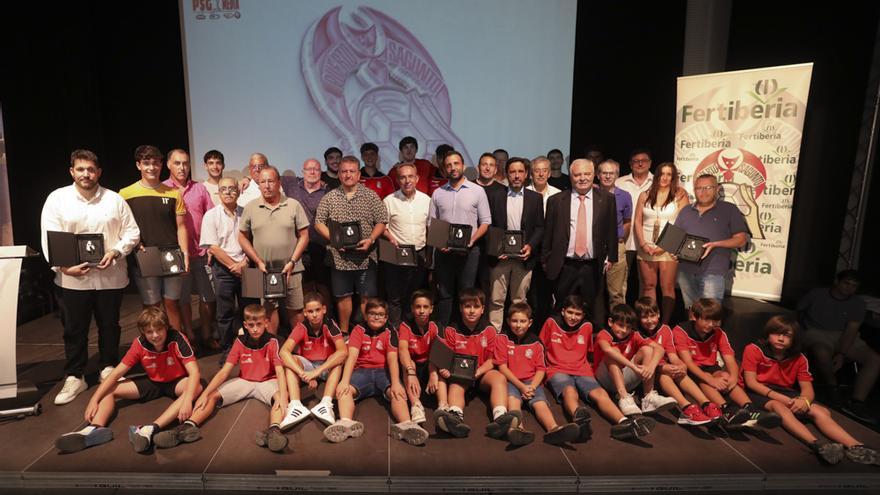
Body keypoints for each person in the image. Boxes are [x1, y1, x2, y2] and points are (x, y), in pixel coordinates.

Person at [41, 149, 140, 405]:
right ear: (72, 171)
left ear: (99, 172)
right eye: (81, 169)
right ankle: (76, 375)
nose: (86, 174)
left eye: (91, 169)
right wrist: (63, 267)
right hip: (73, 279)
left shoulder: (115, 200)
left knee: (110, 325)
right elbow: (49, 237)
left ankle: (108, 367)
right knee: (74, 329)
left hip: (111, 276)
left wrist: (116, 251)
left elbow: (132, 232)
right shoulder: (57, 199)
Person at [54, 308, 202, 453]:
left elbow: (194, 371)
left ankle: (151, 428)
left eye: (159, 330)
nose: (155, 335)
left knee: (196, 388)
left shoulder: (177, 338)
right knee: (111, 388)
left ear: (166, 328)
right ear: (143, 332)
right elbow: (114, 374)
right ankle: (94, 429)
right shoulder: (139, 344)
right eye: (149, 332)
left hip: (177, 381)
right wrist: (94, 399)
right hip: (154, 381)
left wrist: (187, 400)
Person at [741, 315, 879, 465]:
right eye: (776, 333)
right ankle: (817, 444)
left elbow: (807, 388)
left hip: (785, 391)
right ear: (768, 334)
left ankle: (856, 446)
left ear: (794, 339)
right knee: (779, 407)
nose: (781, 339)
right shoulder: (753, 350)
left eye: (787, 335)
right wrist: (787, 401)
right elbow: (752, 383)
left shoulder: (799, 358)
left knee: (820, 411)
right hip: (757, 392)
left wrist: (804, 401)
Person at [154, 304, 290, 452]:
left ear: (266, 323)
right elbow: (224, 372)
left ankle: (274, 431)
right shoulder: (239, 342)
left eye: (259, 324)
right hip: (245, 381)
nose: (255, 329)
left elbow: (280, 371)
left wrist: (283, 397)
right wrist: (204, 394)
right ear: (245, 325)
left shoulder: (274, 341)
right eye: (251, 325)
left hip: (267, 382)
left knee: (280, 398)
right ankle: (187, 427)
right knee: (211, 396)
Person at [539, 295, 655, 441]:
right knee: (569, 391)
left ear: (583, 315)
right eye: (570, 312)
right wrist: (541, 373)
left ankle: (624, 423)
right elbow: (540, 347)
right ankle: (579, 418)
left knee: (600, 394)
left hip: (582, 369)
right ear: (563, 311)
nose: (573, 317)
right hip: (557, 369)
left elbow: (589, 351)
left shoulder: (588, 326)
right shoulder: (551, 322)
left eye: (578, 314)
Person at [325, 298, 429, 445]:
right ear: (366, 316)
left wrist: (395, 383)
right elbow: (352, 356)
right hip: (361, 372)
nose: (377, 317)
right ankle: (345, 422)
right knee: (344, 391)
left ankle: (407, 425)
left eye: (381, 315)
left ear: (386, 317)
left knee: (398, 393)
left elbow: (392, 359)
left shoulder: (391, 331)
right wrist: (344, 380)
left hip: (383, 372)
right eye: (372, 314)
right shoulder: (358, 330)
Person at [673, 298, 780, 429]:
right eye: (707, 320)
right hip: (689, 369)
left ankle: (750, 409)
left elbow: (730, 359)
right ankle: (727, 409)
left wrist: (733, 378)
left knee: (725, 376)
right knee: (707, 380)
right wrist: (710, 379)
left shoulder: (718, 333)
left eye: (714, 321)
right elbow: (688, 362)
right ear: (695, 317)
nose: (711, 324)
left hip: (710, 367)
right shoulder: (680, 331)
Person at [119, 145, 188, 335]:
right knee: (151, 306)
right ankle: (152, 346)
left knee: (172, 303)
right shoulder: (125, 194)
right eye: (146, 163)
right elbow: (122, 226)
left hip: (172, 255)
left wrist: (185, 255)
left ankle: (177, 345)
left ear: (161, 165)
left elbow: (181, 227)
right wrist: (134, 243)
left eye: (155, 163)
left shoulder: (174, 193)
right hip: (144, 256)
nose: (152, 167)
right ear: (138, 165)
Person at [315, 155, 388, 334]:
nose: (348, 175)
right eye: (344, 171)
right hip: (340, 257)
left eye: (351, 171)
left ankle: (366, 333)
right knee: (342, 296)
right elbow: (318, 222)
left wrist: (371, 238)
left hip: (366, 256)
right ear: (338, 174)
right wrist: (334, 239)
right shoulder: (330, 197)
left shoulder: (370, 196)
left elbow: (382, 221)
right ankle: (345, 333)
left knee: (366, 297)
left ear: (358, 173)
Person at [433, 288, 517, 440]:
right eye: (467, 306)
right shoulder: (451, 329)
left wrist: (477, 373)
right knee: (455, 386)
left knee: (499, 378)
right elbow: (443, 359)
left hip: (482, 374)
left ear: (483, 309)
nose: (472, 311)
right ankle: (455, 418)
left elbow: (492, 360)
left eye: (476, 307)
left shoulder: (490, 330)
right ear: (460, 308)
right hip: (460, 376)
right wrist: (445, 369)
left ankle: (500, 418)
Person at [797, 270, 879, 423]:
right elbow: (799, 312)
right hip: (816, 331)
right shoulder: (817, 294)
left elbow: (852, 330)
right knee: (822, 352)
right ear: (837, 281)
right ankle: (832, 386)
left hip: (843, 335)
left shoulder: (858, 303)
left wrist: (841, 353)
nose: (849, 288)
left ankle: (857, 402)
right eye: (847, 283)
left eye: (854, 286)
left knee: (874, 359)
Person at [541, 159, 617, 322]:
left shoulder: (607, 199)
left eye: (587, 174)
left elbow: (611, 230)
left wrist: (612, 256)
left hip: (592, 265)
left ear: (594, 175)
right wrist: (546, 260)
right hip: (564, 264)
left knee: (591, 311)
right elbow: (548, 234)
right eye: (577, 174)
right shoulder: (556, 200)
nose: (582, 178)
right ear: (571, 176)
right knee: (561, 307)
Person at [495, 302, 580, 446]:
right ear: (508, 321)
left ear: (530, 323)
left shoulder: (536, 343)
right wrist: (521, 386)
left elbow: (541, 369)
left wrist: (532, 387)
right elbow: (502, 367)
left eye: (523, 321)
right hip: (512, 381)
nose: (518, 325)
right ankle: (517, 430)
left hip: (531, 382)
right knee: (513, 402)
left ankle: (553, 429)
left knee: (540, 404)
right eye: (515, 321)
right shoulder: (502, 338)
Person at [238, 166, 311, 333]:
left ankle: (300, 349)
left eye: (271, 181)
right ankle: (271, 350)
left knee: (296, 310)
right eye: (263, 182)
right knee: (266, 313)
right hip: (261, 270)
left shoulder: (293, 204)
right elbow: (242, 236)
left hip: (292, 268)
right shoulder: (250, 207)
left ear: (279, 183)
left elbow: (304, 236)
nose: (267, 185)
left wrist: (292, 261)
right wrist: (257, 261)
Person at [163, 149, 218, 350]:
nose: (182, 167)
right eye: (177, 163)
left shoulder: (200, 189)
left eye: (185, 163)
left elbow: (211, 217)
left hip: (202, 252)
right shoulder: (163, 190)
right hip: (176, 255)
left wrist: (212, 245)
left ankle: (206, 332)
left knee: (208, 296)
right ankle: (190, 335)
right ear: (169, 164)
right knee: (183, 298)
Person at [429, 150, 491, 324]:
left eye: (456, 164)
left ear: (463, 166)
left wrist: (471, 241)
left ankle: (464, 334)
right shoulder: (438, 193)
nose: (453, 168)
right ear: (444, 169)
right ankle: (443, 334)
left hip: (469, 252)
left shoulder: (477, 191)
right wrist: (439, 243)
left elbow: (485, 222)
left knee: (467, 295)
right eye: (448, 165)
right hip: (444, 251)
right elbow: (432, 223)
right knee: (445, 295)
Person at [200, 177, 259, 357]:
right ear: (218, 192)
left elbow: (254, 241)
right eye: (224, 189)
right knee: (224, 313)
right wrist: (234, 266)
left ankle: (254, 348)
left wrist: (246, 263)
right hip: (223, 269)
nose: (228, 192)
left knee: (252, 311)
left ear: (239, 191)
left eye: (232, 188)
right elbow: (213, 247)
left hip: (249, 266)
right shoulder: (210, 215)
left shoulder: (248, 212)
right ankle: (227, 351)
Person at [634, 297, 716, 425]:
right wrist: (663, 368)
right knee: (665, 374)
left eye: (653, 315)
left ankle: (705, 403)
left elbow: (673, 356)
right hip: (643, 374)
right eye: (645, 317)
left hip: (661, 368)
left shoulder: (665, 330)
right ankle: (686, 408)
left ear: (659, 314)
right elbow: (639, 362)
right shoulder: (636, 333)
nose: (650, 320)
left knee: (679, 371)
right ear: (638, 318)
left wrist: (680, 365)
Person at [485, 157, 544, 329]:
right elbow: (489, 227)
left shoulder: (535, 198)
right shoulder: (495, 196)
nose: (516, 176)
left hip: (523, 258)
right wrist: (496, 249)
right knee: (496, 300)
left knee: (519, 301)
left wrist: (530, 246)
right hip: (500, 257)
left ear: (526, 174)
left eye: (520, 172)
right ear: (507, 175)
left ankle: (516, 335)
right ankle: (494, 338)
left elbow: (540, 227)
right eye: (512, 172)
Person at [673, 174, 749, 307]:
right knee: (691, 310)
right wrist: (673, 251)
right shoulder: (686, 210)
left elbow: (741, 240)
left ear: (717, 189)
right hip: (686, 270)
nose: (703, 192)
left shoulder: (729, 209)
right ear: (694, 190)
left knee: (710, 313)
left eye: (708, 187)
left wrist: (715, 244)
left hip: (713, 271)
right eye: (699, 188)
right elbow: (676, 238)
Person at [278, 291, 348, 429]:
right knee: (290, 360)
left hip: (326, 366)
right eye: (310, 311)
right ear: (304, 313)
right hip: (308, 365)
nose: (314, 314)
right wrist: (304, 375)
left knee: (338, 360)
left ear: (324, 309)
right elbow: (283, 352)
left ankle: (326, 404)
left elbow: (343, 351)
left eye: (317, 310)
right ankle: (296, 406)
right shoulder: (301, 327)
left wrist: (317, 372)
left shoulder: (330, 324)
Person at [592, 304, 677, 416]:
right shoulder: (603, 334)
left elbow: (659, 348)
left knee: (647, 349)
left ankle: (648, 397)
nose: (624, 330)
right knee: (613, 352)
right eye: (621, 325)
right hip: (605, 379)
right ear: (610, 322)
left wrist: (651, 367)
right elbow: (607, 350)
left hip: (625, 377)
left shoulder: (634, 335)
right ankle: (623, 397)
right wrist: (633, 367)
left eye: (628, 327)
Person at [633, 162, 688, 324]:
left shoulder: (680, 194)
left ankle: (664, 323)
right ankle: (650, 321)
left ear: (673, 177)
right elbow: (637, 221)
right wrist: (643, 244)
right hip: (646, 247)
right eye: (662, 174)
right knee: (648, 286)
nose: (664, 178)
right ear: (656, 175)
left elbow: (683, 223)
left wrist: (663, 246)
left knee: (667, 288)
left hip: (669, 247)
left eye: (669, 174)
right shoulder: (645, 194)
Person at [382, 162, 430, 323]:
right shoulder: (389, 200)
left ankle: (411, 331)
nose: (407, 180)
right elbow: (383, 226)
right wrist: (390, 238)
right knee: (394, 296)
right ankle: (395, 332)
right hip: (396, 253)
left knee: (414, 295)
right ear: (397, 180)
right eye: (403, 177)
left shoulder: (427, 200)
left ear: (417, 178)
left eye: (410, 176)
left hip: (419, 253)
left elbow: (431, 227)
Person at [287, 158, 333, 312]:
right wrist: (246, 179)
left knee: (323, 285)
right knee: (303, 284)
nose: (312, 172)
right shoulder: (291, 187)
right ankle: (307, 318)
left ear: (321, 172)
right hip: (299, 247)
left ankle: (327, 318)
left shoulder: (329, 192)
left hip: (322, 246)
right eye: (309, 169)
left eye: (316, 169)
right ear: (303, 172)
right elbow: (266, 175)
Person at [396, 290, 445, 425]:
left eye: (425, 307)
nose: (422, 311)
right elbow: (403, 350)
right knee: (407, 364)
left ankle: (443, 407)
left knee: (441, 369)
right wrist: (411, 372)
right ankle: (416, 405)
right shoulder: (405, 325)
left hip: (430, 363)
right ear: (412, 308)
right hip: (414, 364)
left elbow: (439, 353)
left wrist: (433, 372)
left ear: (431, 309)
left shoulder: (436, 325)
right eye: (418, 307)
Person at [526, 155, 561, 325]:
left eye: (544, 170)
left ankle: (544, 327)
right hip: (528, 248)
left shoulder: (558, 195)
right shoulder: (524, 192)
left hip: (550, 250)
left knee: (547, 291)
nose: (540, 174)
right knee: (528, 290)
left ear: (549, 173)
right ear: (531, 173)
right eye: (537, 171)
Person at [616, 149, 654, 302]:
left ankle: (643, 316)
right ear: (630, 165)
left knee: (647, 283)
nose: (640, 163)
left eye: (643, 160)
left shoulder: (658, 182)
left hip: (648, 241)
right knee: (620, 281)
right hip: (624, 239)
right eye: (636, 161)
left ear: (650, 163)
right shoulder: (620, 182)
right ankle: (622, 316)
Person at [596, 160, 633, 317]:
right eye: (604, 173)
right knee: (594, 290)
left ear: (617, 175)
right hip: (595, 247)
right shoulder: (590, 193)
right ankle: (595, 327)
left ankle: (618, 328)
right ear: (598, 175)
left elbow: (627, 222)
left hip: (616, 247)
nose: (607, 176)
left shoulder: (624, 196)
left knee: (616, 292)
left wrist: (618, 239)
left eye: (611, 173)